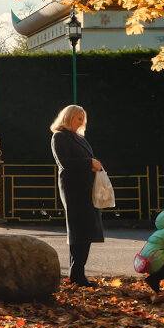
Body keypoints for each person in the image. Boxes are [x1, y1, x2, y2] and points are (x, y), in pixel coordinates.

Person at [50, 104, 104, 287]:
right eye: (78, 118)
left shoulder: (80, 138)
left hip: (87, 189)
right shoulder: (59, 136)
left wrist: (94, 164)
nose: (81, 121)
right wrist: (90, 162)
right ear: (68, 117)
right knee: (79, 230)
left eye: (83, 118)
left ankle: (77, 273)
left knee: (87, 230)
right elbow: (64, 162)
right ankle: (77, 275)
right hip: (73, 190)